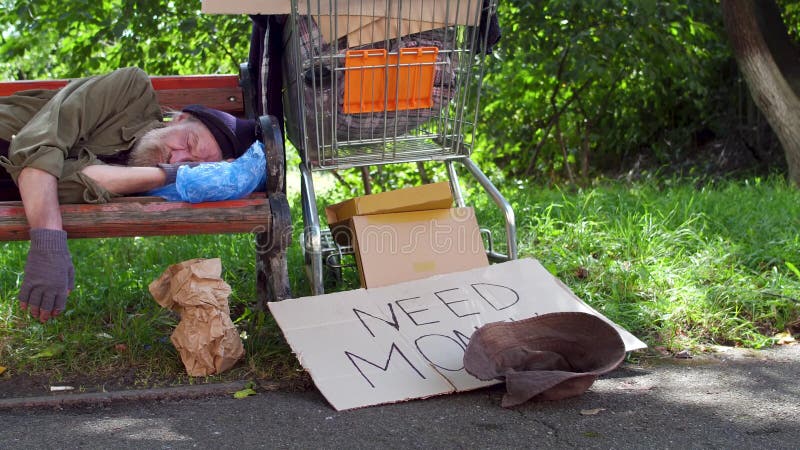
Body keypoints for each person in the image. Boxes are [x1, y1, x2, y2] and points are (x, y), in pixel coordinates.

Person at [0, 67, 258, 324]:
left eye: (189, 166)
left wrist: (163, 174)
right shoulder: (130, 90)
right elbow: (33, 147)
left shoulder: (144, 181)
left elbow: (64, 185)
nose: (176, 158)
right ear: (180, 119)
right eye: (188, 143)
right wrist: (49, 243)